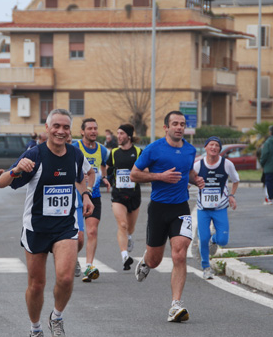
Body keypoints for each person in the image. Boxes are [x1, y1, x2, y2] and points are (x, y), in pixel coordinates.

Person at [0, 109, 94, 337]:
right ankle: (35, 330)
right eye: (56, 126)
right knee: (37, 285)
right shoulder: (35, 155)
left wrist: (85, 194)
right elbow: (1, 183)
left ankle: (57, 317)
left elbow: (83, 175)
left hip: (64, 226)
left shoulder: (74, 154)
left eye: (65, 127)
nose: (61, 131)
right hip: (37, 228)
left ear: (70, 131)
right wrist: (17, 169)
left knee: (66, 277)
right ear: (47, 128)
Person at [130, 111, 204, 322]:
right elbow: (134, 174)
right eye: (175, 124)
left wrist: (196, 179)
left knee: (180, 254)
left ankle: (176, 305)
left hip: (180, 208)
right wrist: (159, 176)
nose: (179, 127)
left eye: (182, 124)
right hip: (158, 209)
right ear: (166, 127)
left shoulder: (190, 150)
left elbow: (188, 172)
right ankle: (146, 259)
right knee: (155, 260)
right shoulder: (154, 149)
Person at [194, 136, 239, 279]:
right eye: (211, 145)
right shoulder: (197, 165)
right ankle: (206, 267)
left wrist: (231, 195)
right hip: (203, 208)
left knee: (223, 240)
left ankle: (214, 241)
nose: (213, 148)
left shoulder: (227, 164)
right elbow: (188, 182)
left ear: (220, 149)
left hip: (220, 207)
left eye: (217, 146)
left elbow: (235, 180)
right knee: (203, 238)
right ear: (205, 147)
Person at [73, 118, 110, 282]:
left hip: (94, 196)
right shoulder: (75, 148)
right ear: (82, 131)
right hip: (76, 197)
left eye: (95, 128)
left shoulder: (102, 150)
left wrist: (105, 177)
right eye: (90, 128)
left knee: (92, 231)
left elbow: (103, 165)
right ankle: (73, 259)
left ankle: (88, 266)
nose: (93, 131)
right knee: (79, 237)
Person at [106, 124, 142, 271]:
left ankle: (129, 238)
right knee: (122, 224)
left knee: (130, 228)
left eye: (121, 134)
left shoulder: (139, 152)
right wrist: (106, 179)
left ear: (128, 136)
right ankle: (125, 256)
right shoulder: (114, 153)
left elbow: (146, 171)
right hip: (118, 195)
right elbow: (108, 169)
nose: (118, 136)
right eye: (117, 133)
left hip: (134, 195)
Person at [67, 133, 95, 277]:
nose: (66, 142)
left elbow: (91, 173)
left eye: (69, 140)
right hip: (56, 207)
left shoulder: (76, 155)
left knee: (80, 238)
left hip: (75, 204)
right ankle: (67, 257)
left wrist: (87, 193)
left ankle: (73, 256)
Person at [260, 125, 273, 202]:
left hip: (269, 167)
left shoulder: (268, 142)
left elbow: (265, 154)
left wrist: (262, 164)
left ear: (270, 133)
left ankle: (271, 198)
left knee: (269, 182)